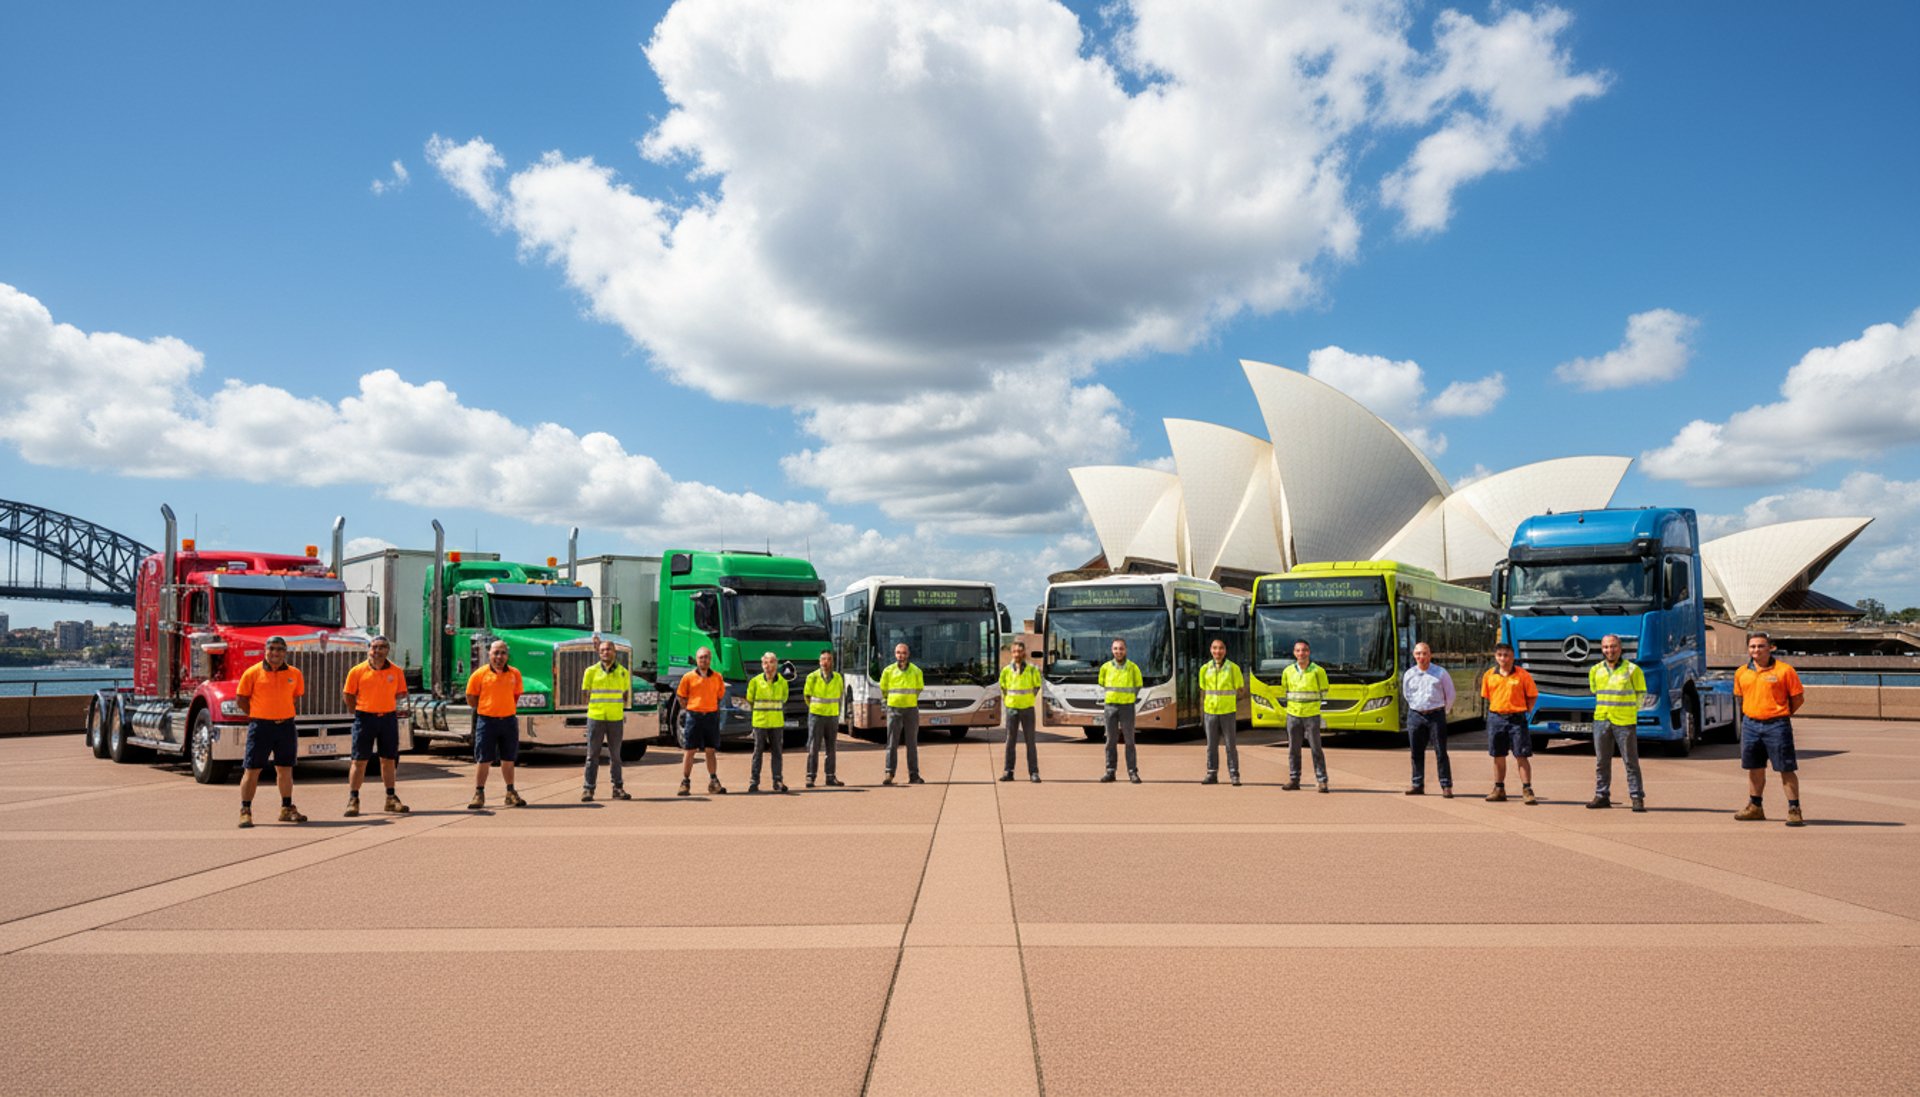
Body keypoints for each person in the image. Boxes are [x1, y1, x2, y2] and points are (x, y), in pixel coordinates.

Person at [1732, 632, 1807, 826]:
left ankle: (1794, 809)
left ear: (1770, 648)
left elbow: (1797, 698)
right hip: (1750, 725)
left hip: (1777, 724)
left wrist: (1781, 714)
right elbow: (1740, 697)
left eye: (1760, 646)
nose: (1756, 650)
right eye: (1752, 646)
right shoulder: (1741, 672)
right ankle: (1755, 807)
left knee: (1786, 767)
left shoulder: (1785, 671)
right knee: (1754, 768)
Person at [236, 635, 307, 828]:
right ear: (265, 651)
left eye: (279, 649)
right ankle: (246, 810)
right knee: (252, 770)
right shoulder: (252, 673)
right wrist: (259, 714)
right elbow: (241, 699)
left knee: (285, 769)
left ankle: (286, 808)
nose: (275, 653)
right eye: (272, 649)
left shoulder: (295, 673)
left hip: (285, 727)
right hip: (261, 727)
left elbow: (294, 697)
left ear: (285, 652)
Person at [342, 635, 409, 817]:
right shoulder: (357, 671)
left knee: (388, 760)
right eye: (374, 647)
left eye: (381, 647)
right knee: (359, 760)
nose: (377, 651)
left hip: (387, 718)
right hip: (365, 719)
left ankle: (390, 797)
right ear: (368, 650)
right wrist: (357, 710)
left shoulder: (396, 671)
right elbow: (348, 694)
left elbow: (401, 694)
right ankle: (353, 799)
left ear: (388, 650)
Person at [1587, 633, 1646, 812]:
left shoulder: (1632, 670)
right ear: (1602, 649)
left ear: (1620, 648)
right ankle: (1602, 795)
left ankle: (1637, 797)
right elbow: (1594, 690)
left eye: (1613, 646)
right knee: (1601, 762)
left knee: (1630, 762)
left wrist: (1631, 711)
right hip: (1602, 720)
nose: (1609, 650)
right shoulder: (1595, 670)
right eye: (1606, 647)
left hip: (1625, 721)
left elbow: (1641, 693)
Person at [466, 640, 525, 809]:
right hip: (487, 722)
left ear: (507, 655)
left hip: (508, 721)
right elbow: (471, 698)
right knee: (484, 759)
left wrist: (504, 708)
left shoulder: (515, 674)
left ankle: (510, 792)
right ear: (489, 654)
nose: (499, 657)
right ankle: (479, 793)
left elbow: (515, 696)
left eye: (503, 653)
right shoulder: (479, 674)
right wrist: (487, 708)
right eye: (496, 653)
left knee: (508, 759)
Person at [1480, 644, 1539, 804]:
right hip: (1496, 718)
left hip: (1516, 719)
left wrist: (1526, 710)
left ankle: (1527, 789)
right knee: (1498, 755)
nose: (1503, 658)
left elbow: (1532, 695)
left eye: (1506, 655)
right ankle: (1499, 789)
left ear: (1513, 657)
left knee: (1521, 754)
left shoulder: (1523, 675)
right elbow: (1488, 696)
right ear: (1495, 657)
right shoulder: (1489, 675)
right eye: (1499, 655)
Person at [580, 639, 632, 803]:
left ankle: (617, 788)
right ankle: (588, 789)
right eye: (602, 650)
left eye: (608, 649)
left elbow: (625, 695)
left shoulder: (623, 673)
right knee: (592, 755)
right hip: (596, 718)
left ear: (614, 652)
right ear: (598, 653)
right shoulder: (590, 671)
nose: (605, 652)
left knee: (616, 756)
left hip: (615, 719)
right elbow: (585, 695)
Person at [1402, 642, 1456, 797]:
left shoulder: (1440, 673)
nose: (1421, 657)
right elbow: (1407, 694)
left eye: (1424, 653)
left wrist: (1443, 711)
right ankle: (1417, 784)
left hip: (1435, 716)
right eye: (1418, 653)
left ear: (1430, 655)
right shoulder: (1409, 674)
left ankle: (1446, 785)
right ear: (1414, 655)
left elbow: (1450, 694)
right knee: (1416, 752)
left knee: (1440, 751)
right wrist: (1416, 706)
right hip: (1415, 715)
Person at [675, 646, 728, 796]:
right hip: (694, 716)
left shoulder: (717, 677)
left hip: (711, 716)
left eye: (706, 657)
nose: (704, 660)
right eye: (701, 657)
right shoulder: (688, 677)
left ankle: (713, 781)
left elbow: (720, 695)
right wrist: (690, 709)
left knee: (710, 750)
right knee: (690, 750)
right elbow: (681, 696)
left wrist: (709, 706)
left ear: (710, 659)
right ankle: (685, 782)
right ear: (697, 660)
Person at [1279, 640, 1330, 792]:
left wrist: (1312, 705)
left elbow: (1324, 691)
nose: (1301, 653)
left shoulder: (1318, 671)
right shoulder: (1288, 671)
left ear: (1309, 652)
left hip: (1311, 715)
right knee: (1293, 749)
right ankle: (1294, 779)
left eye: (1304, 650)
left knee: (1316, 749)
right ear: (1294, 653)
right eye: (1298, 650)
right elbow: (1285, 690)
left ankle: (1322, 781)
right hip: (1293, 715)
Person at [1199, 638, 1245, 786]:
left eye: (1220, 648)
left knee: (1230, 745)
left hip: (1228, 712)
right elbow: (1203, 691)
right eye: (1214, 648)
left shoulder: (1233, 668)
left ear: (1225, 650)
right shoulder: (1204, 669)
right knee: (1211, 745)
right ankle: (1212, 773)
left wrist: (1230, 702)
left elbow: (1241, 690)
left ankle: (1234, 774)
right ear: (1210, 650)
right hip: (1210, 712)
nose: (1217, 651)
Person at [1098, 638, 1143, 783]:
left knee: (1129, 741)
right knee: (1110, 740)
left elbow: (1138, 685)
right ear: (1112, 650)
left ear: (1126, 650)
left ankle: (1132, 772)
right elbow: (1102, 683)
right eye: (1116, 648)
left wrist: (1129, 699)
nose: (1118, 651)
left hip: (1127, 708)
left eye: (1121, 648)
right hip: (1110, 706)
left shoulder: (1133, 667)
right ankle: (1110, 771)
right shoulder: (1105, 668)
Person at [880, 643, 925, 785]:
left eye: (904, 653)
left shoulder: (916, 671)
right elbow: (884, 689)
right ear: (895, 654)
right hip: (893, 709)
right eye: (898, 653)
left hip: (911, 709)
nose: (901, 656)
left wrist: (908, 699)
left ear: (908, 654)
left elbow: (919, 688)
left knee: (912, 744)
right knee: (892, 743)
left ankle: (914, 775)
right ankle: (889, 773)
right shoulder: (888, 671)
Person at [999, 640, 1043, 783]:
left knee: (1030, 742)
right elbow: (1003, 687)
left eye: (1019, 651)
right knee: (1010, 742)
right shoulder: (1006, 670)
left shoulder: (1032, 669)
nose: (1017, 654)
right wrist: (1010, 701)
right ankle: (1008, 771)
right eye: (1014, 651)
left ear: (1023, 652)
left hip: (1027, 709)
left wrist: (1028, 698)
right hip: (1011, 709)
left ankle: (1034, 772)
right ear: (1011, 653)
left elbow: (1037, 686)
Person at [747, 651, 790, 793]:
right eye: (765, 663)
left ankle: (777, 781)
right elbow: (750, 700)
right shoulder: (755, 682)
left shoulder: (783, 682)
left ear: (776, 664)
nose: (768, 666)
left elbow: (784, 699)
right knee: (757, 753)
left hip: (776, 722)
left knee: (777, 753)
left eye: (771, 662)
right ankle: (754, 782)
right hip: (760, 722)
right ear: (762, 665)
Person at [803, 650, 845, 788]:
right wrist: (816, 709)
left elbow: (839, 696)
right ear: (819, 662)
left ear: (832, 662)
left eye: (828, 659)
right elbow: (807, 696)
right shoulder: (812, 677)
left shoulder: (838, 678)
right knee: (813, 747)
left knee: (831, 748)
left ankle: (830, 777)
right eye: (823, 659)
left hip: (832, 716)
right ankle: (810, 777)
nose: (826, 662)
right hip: (817, 716)